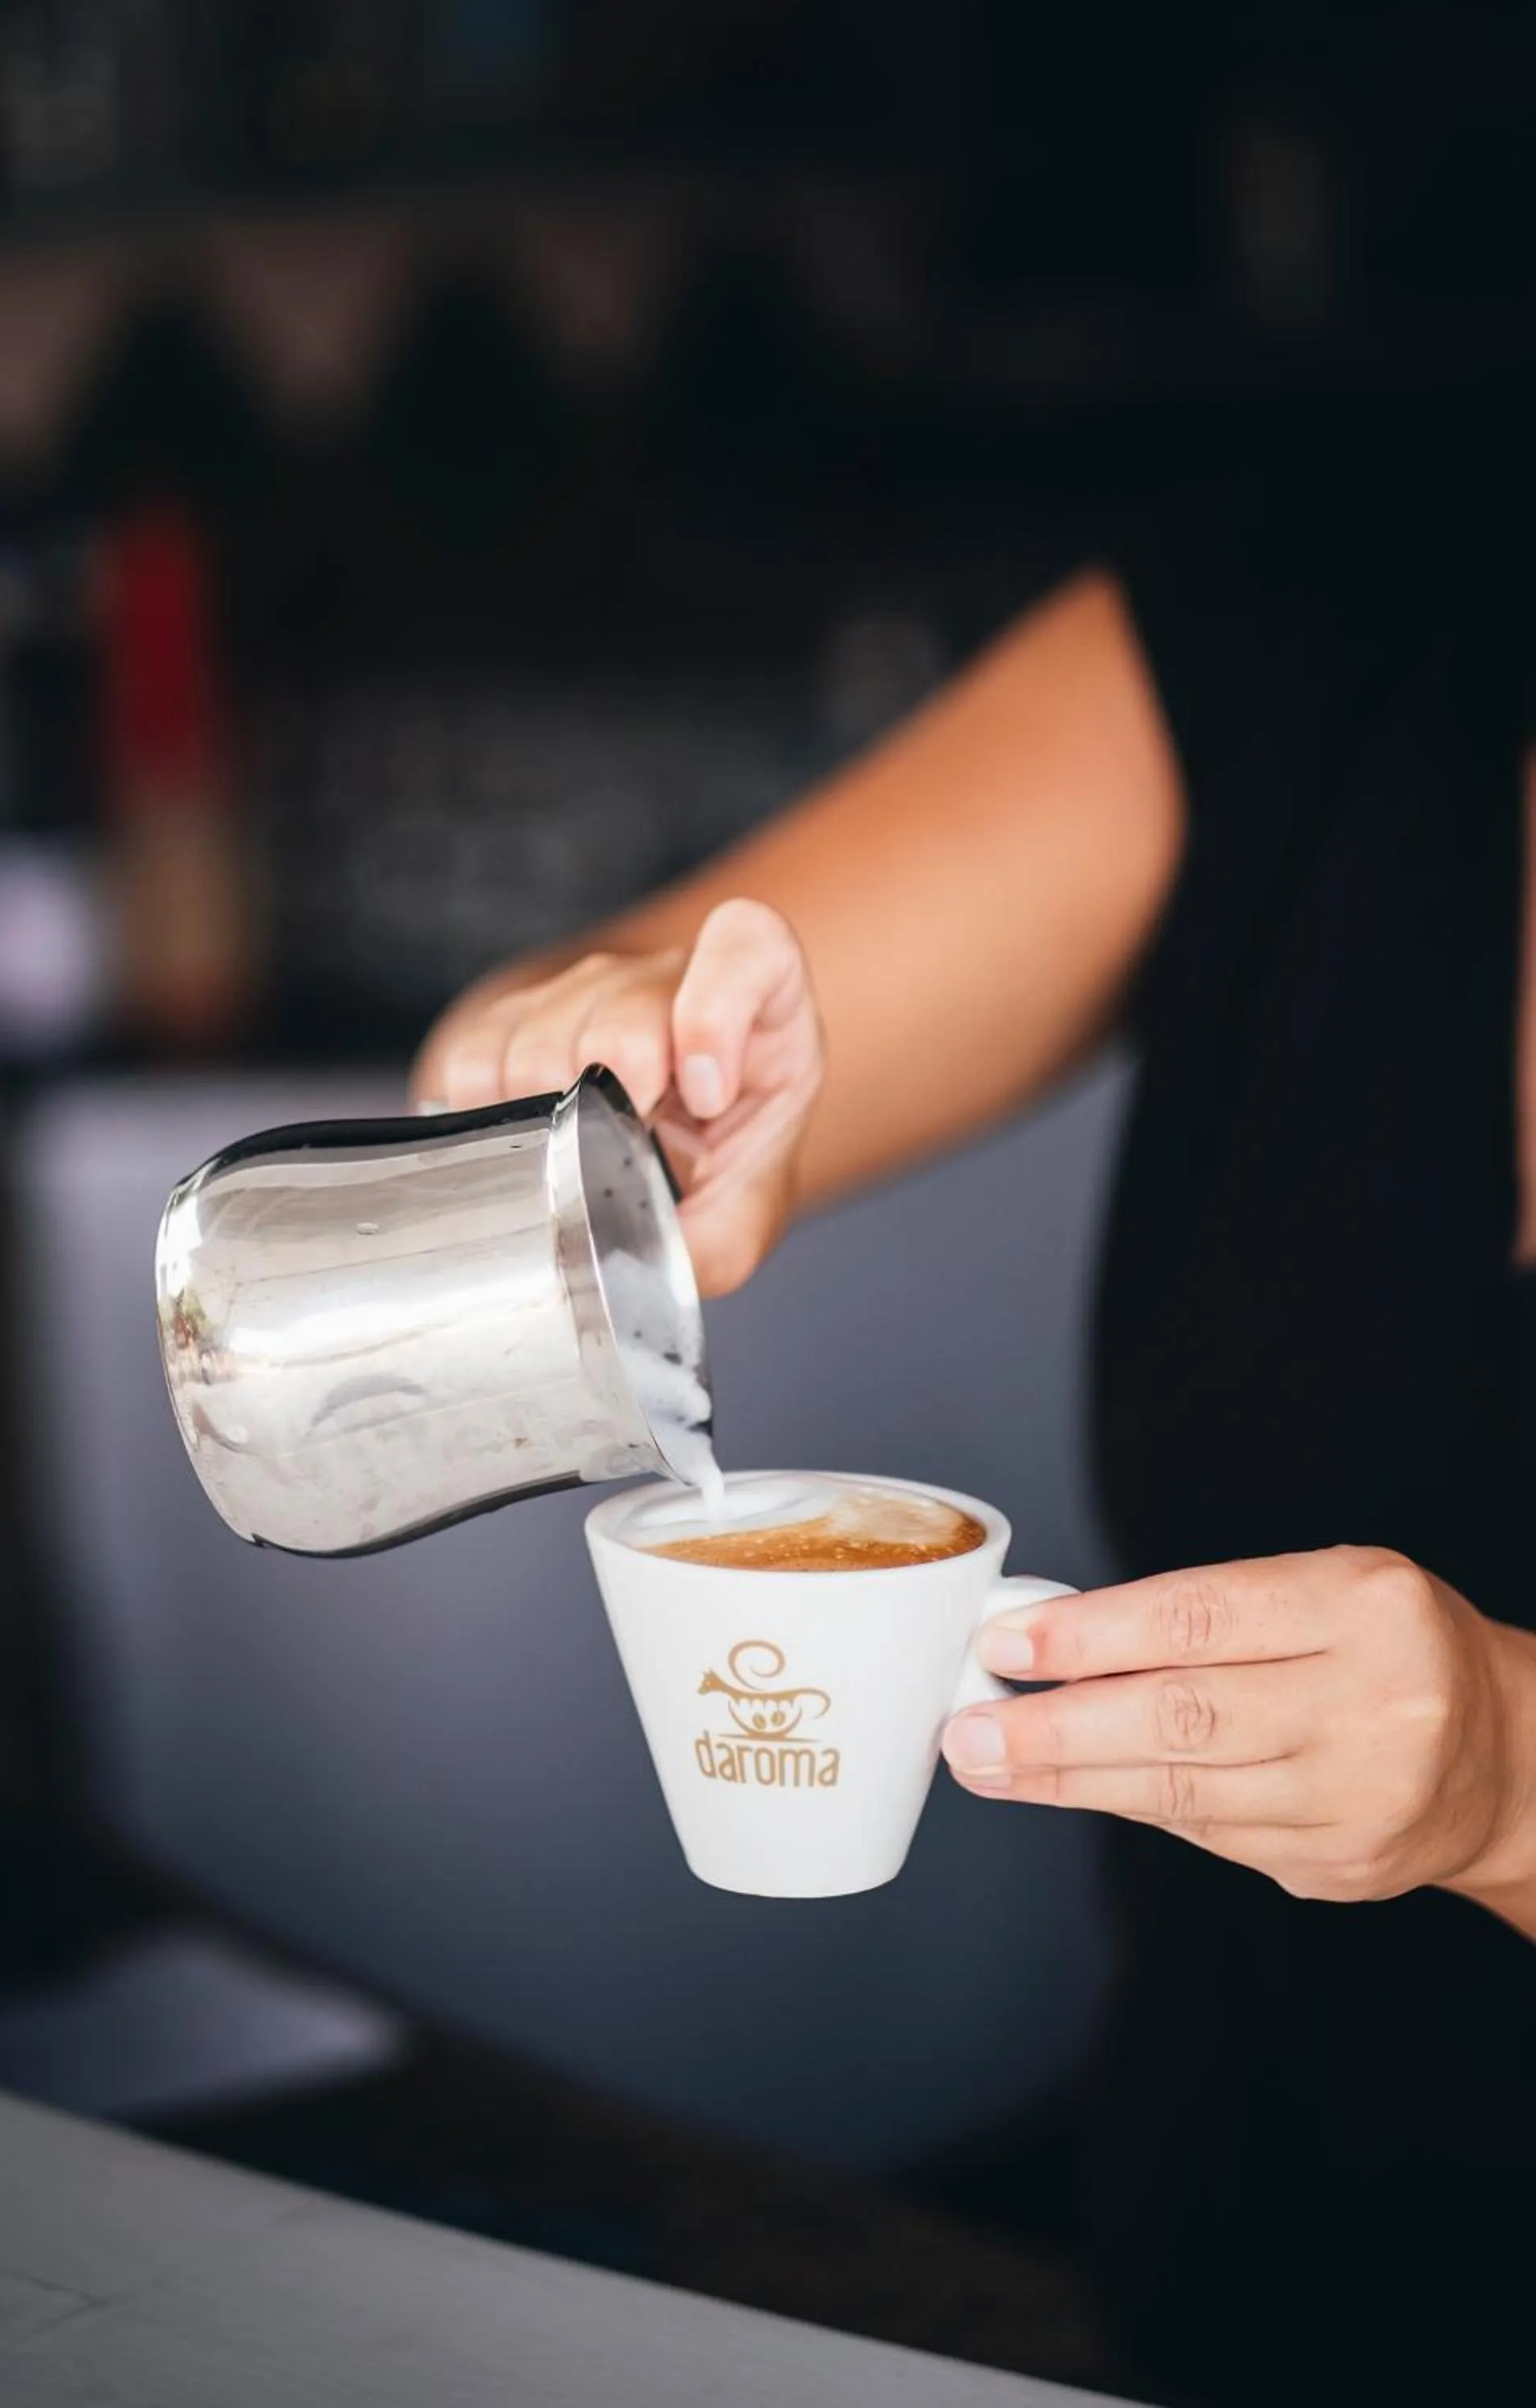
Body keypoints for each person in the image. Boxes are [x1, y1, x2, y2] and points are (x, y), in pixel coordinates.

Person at [413, 471, 1536, 2407]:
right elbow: (512, 1047)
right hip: (1205, 2281)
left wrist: (1510, 1786)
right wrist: (591, 1080)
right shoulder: (1312, 643)